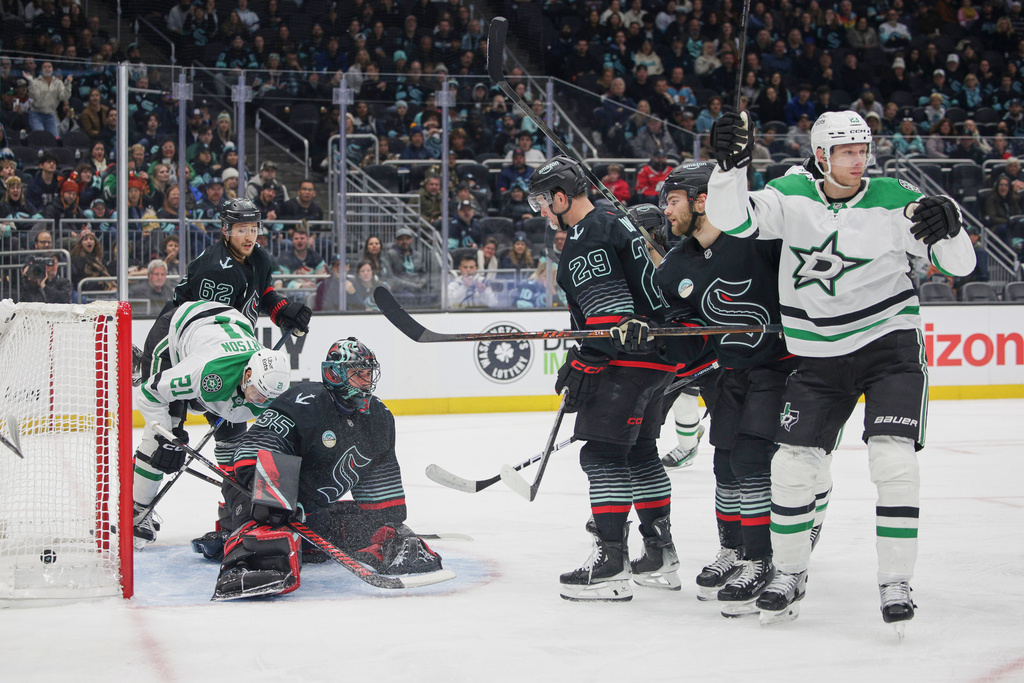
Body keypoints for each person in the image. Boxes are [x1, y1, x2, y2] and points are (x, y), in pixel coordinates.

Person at [705, 110, 976, 629]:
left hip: (888, 348)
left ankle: (896, 581)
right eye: (846, 151)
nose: (858, 160)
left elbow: (959, 265)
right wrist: (728, 168)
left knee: (893, 464)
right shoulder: (791, 194)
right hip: (820, 357)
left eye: (863, 150)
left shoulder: (894, 197)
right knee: (791, 469)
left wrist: (953, 229)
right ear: (821, 155)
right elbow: (734, 220)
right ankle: (789, 574)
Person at [526, 155, 701, 601]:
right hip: (657, 360)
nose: (540, 210)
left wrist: (587, 362)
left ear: (561, 197)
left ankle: (610, 565)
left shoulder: (587, 234)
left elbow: (610, 316)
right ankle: (660, 554)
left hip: (627, 361)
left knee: (602, 455)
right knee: (640, 454)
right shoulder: (614, 219)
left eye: (542, 201)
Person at [655, 161, 823, 616]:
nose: (666, 210)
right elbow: (685, 338)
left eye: (673, 201)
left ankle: (761, 558)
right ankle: (733, 549)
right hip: (731, 372)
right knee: (725, 463)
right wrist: (653, 333)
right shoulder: (675, 266)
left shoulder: (758, 237)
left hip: (781, 369)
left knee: (751, 458)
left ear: (702, 201)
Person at [212, 338, 443, 599]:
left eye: (368, 374)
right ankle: (244, 563)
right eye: (358, 374)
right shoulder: (304, 401)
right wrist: (278, 498)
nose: (366, 381)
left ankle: (297, 536)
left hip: (307, 508)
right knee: (268, 515)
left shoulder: (378, 416)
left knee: (373, 527)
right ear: (334, 374)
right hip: (253, 491)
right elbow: (255, 447)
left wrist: (386, 522)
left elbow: (380, 473)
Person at [133, 300, 292, 551]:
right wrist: (167, 437)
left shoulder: (267, 390)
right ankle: (138, 510)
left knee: (234, 448)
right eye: (259, 394)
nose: (261, 403)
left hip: (227, 332)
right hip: (176, 335)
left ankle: (235, 509)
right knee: (164, 436)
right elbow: (149, 394)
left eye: (268, 399)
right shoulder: (209, 373)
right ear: (248, 375)